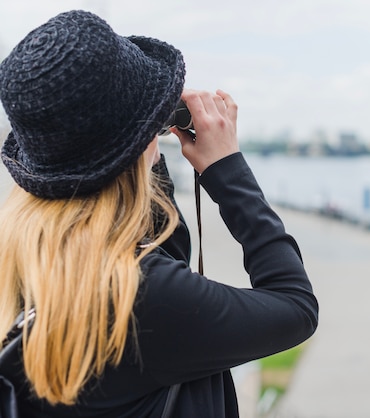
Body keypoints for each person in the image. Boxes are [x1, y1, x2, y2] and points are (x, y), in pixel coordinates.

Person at [0, 10, 318, 417]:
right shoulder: (142, 297)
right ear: (137, 146)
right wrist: (228, 170)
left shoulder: (37, 256)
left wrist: (142, 141)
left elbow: (165, 254)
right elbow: (295, 308)